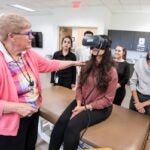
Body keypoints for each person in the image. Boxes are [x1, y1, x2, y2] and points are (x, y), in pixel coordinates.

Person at [0, 14, 84, 150]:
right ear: (11, 36)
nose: (32, 37)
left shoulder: (27, 54)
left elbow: (50, 64)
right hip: (12, 121)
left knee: (29, 146)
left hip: (32, 114)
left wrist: (74, 62)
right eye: (28, 33)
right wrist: (15, 107)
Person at [49, 35, 118, 150]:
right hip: (82, 101)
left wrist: (85, 108)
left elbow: (108, 99)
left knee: (72, 126)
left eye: (97, 46)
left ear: (105, 48)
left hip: (100, 108)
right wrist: (79, 103)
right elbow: (79, 86)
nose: (94, 48)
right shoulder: (87, 65)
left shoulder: (112, 71)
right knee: (61, 122)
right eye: (92, 46)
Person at [129, 50, 150, 115]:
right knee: (130, 119)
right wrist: (137, 102)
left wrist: (143, 104)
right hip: (136, 96)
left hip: (149, 101)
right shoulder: (140, 62)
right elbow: (133, 82)